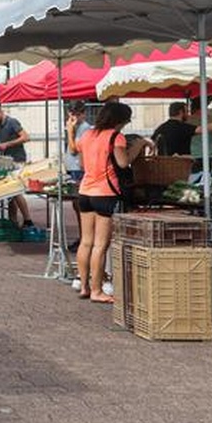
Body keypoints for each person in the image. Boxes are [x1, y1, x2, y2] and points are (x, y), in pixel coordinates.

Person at [74, 101, 155, 303]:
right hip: (105, 193)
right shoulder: (115, 137)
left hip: (84, 192)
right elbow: (123, 162)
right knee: (100, 245)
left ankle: (84, 286)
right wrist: (140, 144)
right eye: (126, 120)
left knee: (86, 242)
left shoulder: (87, 135)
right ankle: (96, 290)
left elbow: (82, 164)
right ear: (120, 120)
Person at [0, 103, 35, 229]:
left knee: (15, 191)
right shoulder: (0, 125)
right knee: (9, 193)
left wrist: (7, 144)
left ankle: (28, 220)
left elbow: (26, 137)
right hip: (7, 160)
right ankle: (13, 221)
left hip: (17, 160)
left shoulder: (12, 122)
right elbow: (3, 146)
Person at [63, 102, 92, 252]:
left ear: (83, 114)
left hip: (78, 170)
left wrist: (69, 131)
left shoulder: (84, 128)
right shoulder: (76, 127)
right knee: (76, 205)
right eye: (71, 114)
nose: (72, 117)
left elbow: (74, 149)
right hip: (72, 169)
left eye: (76, 114)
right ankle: (82, 237)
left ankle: (85, 238)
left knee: (80, 205)